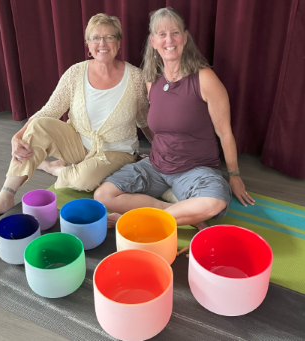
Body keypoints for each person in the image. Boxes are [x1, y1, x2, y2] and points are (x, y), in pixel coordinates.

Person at [0, 13, 152, 230]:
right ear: (88, 43)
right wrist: (18, 135)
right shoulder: (76, 73)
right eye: (95, 38)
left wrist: (162, 152)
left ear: (119, 42)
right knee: (37, 126)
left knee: (82, 181)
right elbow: (49, 110)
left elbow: (145, 119)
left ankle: (54, 169)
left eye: (109, 37)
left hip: (117, 152)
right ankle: (5, 196)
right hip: (78, 143)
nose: (102, 44)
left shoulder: (135, 77)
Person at [95, 7, 255, 233]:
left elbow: (225, 133)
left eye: (175, 33)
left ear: (185, 37)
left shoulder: (205, 78)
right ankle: (174, 211)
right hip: (156, 165)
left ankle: (139, 219)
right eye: (161, 34)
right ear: (153, 41)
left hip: (195, 169)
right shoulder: (152, 81)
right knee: (103, 195)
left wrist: (235, 176)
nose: (169, 40)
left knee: (215, 202)